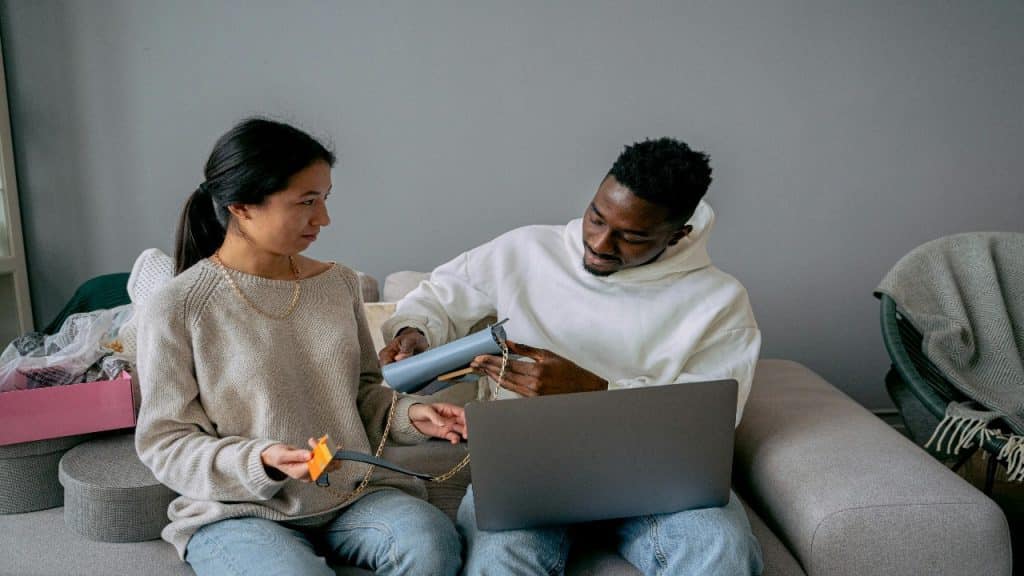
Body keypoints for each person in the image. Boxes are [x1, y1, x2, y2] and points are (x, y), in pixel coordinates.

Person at [379, 138, 763, 575]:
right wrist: (414, 331)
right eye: (596, 217)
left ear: (678, 235)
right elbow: (438, 297)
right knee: (500, 559)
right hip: (529, 466)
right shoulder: (525, 251)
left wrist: (594, 390)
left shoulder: (719, 301)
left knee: (721, 546)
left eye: (631, 236)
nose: (599, 242)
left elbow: (704, 423)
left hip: (660, 479)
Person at [134, 118, 465, 576]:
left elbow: (363, 393)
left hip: (351, 495)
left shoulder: (338, 283)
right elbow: (165, 442)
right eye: (306, 202)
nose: (323, 218)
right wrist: (261, 462)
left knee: (431, 546)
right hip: (240, 510)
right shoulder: (178, 305)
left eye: (325, 199)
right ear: (241, 207)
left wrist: (413, 414)